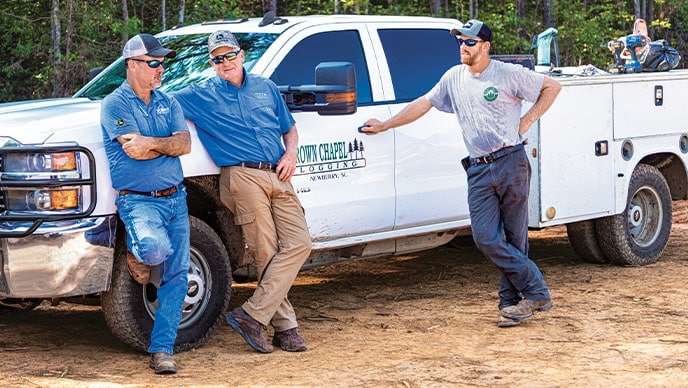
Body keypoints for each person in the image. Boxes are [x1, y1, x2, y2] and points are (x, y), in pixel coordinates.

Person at [361, 20, 562, 328]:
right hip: (479, 168)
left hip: (511, 162)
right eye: (460, 42)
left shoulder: (507, 74)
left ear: (485, 47)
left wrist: (527, 120)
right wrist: (386, 125)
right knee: (485, 237)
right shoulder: (453, 78)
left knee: (515, 237)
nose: (463, 47)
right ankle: (537, 291)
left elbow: (552, 86)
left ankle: (510, 305)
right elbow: (423, 104)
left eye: (469, 42)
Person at [174, 30, 312, 353]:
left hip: (279, 173)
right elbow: (161, 101)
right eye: (218, 58)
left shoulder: (266, 88)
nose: (225, 62)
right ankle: (286, 328)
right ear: (212, 63)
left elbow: (289, 129)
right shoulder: (201, 94)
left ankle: (252, 314)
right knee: (265, 251)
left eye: (230, 55)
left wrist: (291, 153)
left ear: (241, 54)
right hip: (242, 175)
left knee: (300, 243)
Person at [100, 33, 191, 373]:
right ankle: (138, 251)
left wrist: (155, 143)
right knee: (155, 250)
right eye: (153, 63)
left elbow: (184, 143)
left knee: (178, 274)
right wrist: (166, 143)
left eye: (162, 63)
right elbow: (131, 150)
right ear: (132, 65)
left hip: (176, 198)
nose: (160, 69)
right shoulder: (116, 104)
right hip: (138, 203)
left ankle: (163, 349)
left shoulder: (169, 102)